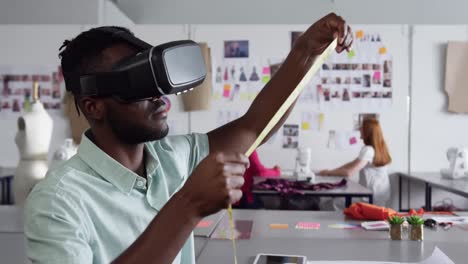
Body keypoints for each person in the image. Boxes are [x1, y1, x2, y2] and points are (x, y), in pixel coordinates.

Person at [24, 13, 352, 264]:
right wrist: (188, 206)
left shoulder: (173, 156)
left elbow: (254, 127)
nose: (158, 97)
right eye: (136, 83)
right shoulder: (57, 202)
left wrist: (305, 52)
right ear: (93, 106)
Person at [319, 118, 392, 206]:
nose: (359, 129)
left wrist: (328, 173)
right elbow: (351, 164)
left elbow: (349, 172)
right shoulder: (379, 148)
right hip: (379, 195)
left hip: (371, 197)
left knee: (332, 203)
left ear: (367, 131)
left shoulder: (368, 150)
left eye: (362, 127)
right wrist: (330, 172)